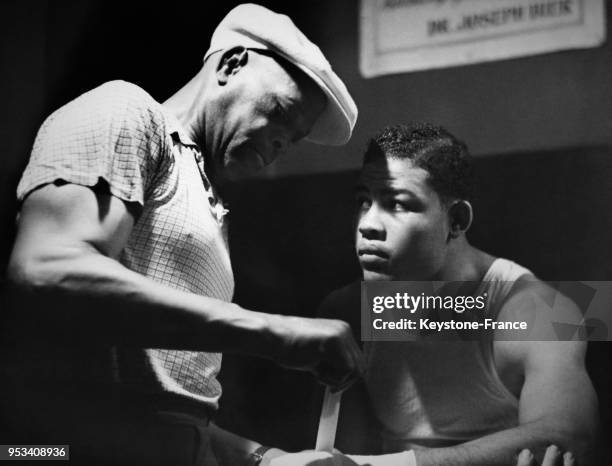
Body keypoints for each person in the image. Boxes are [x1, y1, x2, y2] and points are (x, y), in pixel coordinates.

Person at [2, 4, 363, 465]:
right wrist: (276, 332)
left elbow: (173, 413)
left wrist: (268, 459)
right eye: (278, 112)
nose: (280, 144)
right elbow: (47, 270)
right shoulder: (128, 110)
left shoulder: (209, 207)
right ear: (231, 64)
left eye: (293, 138)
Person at [314, 123, 598, 465]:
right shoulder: (348, 311)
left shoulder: (536, 310)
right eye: (364, 201)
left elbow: (567, 436)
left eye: (398, 204)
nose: (368, 224)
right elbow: (338, 455)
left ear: (457, 220)